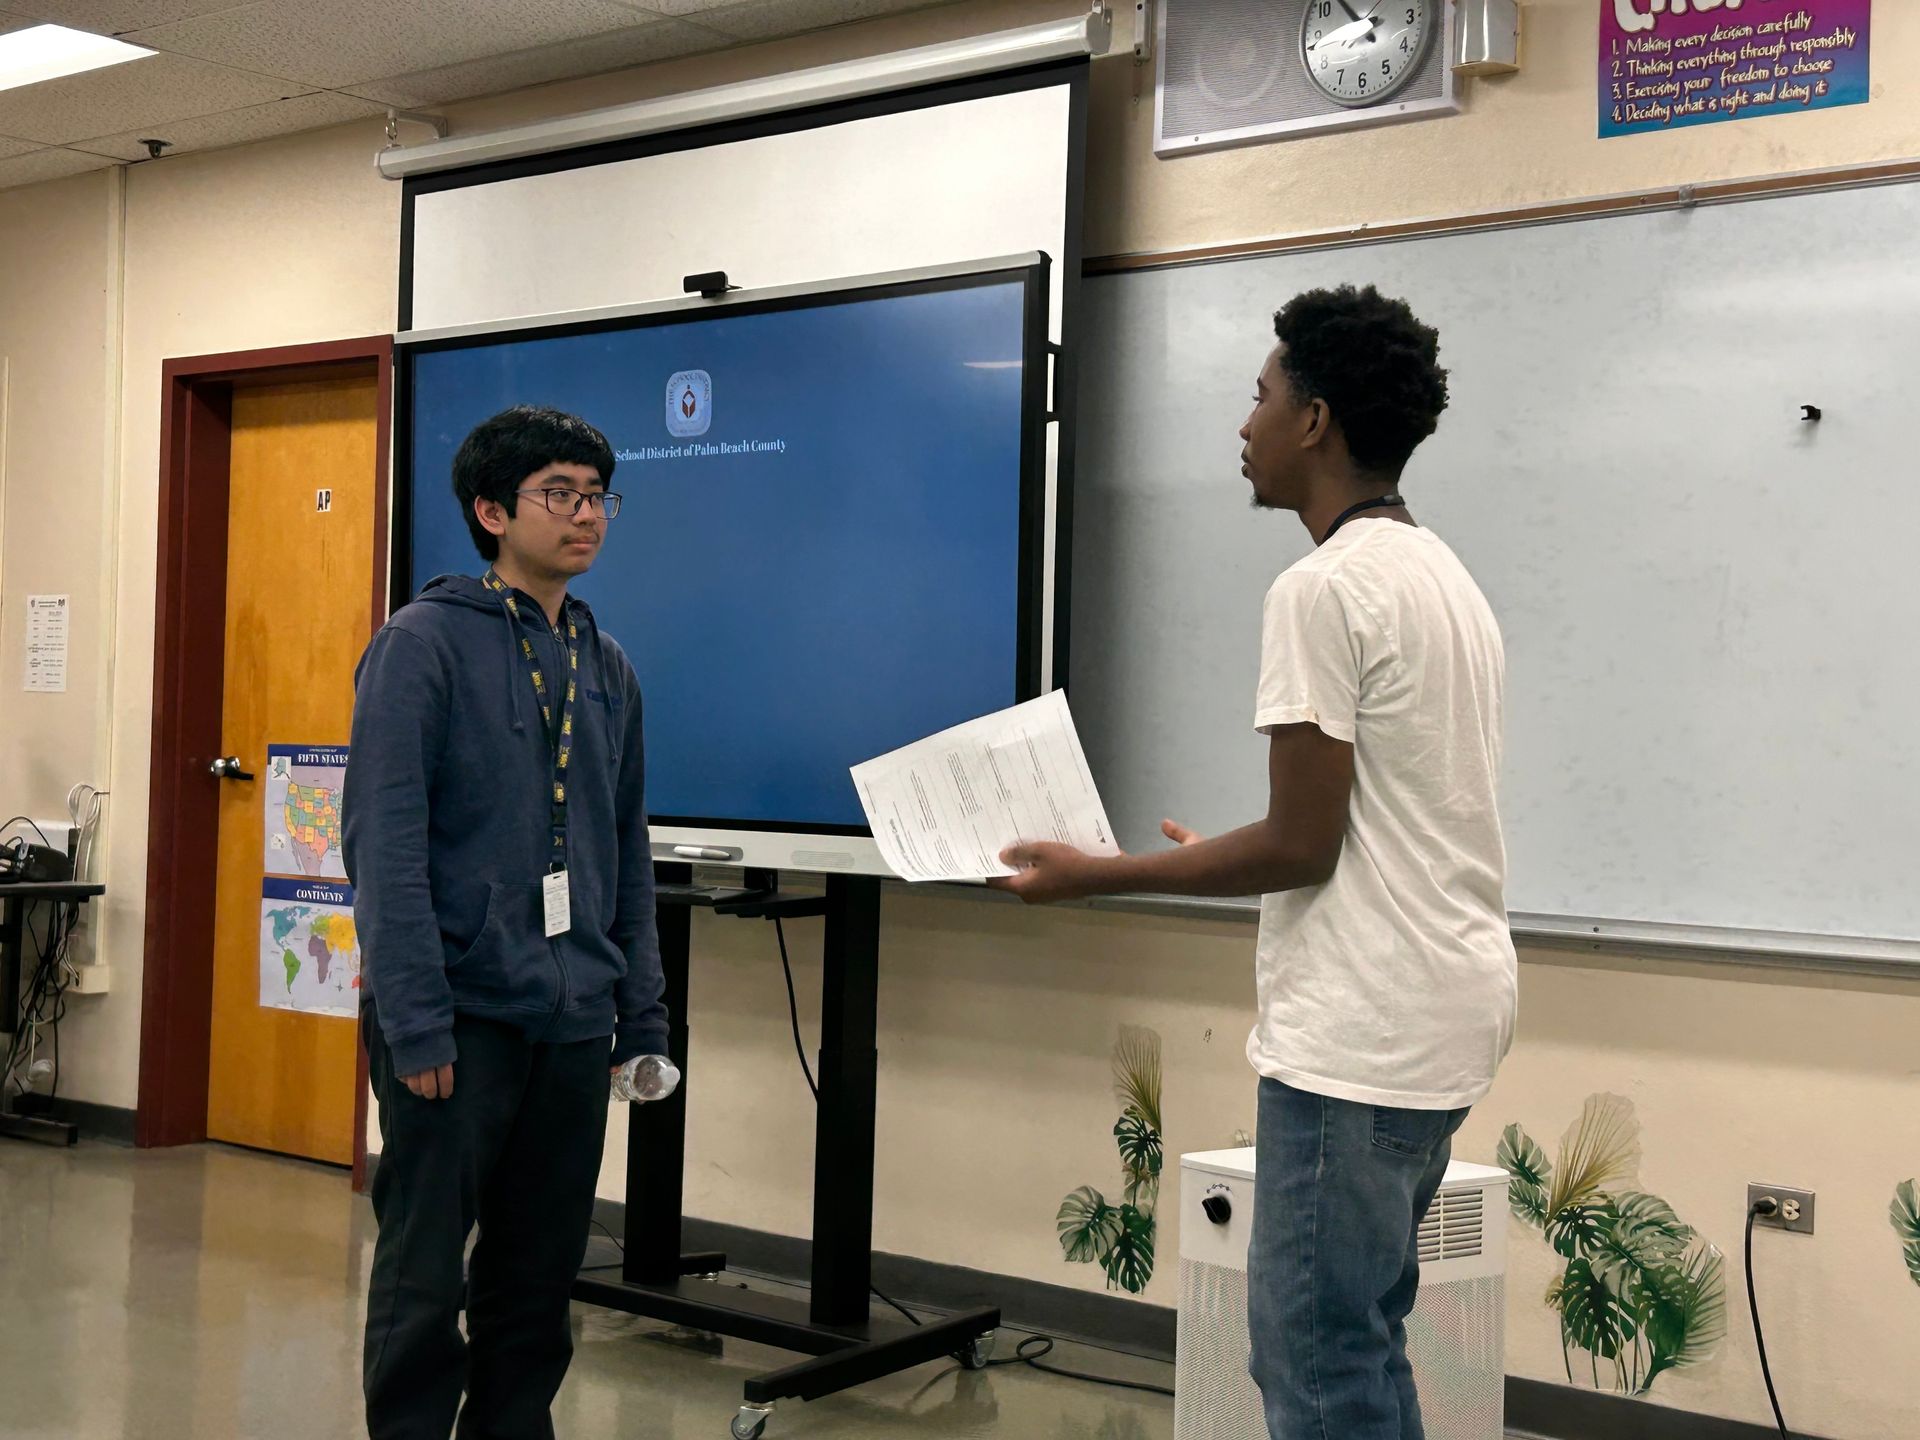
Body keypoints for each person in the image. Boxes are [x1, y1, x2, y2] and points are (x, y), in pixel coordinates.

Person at [993, 285, 1516, 1440]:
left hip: (1362, 1036)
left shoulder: (1320, 588)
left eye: (1261, 394)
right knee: (1362, 1338)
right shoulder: (1442, 576)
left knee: (1316, 1362)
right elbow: (1353, 821)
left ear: (1315, 420)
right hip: (1440, 1012)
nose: (1245, 422)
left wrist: (1098, 874)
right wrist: (1225, 855)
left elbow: (1300, 844)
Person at [343, 405, 670, 1440]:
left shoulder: (606, 663)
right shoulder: (419, 646)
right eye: (559, 494)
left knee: (535, 1284)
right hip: (455, 1024)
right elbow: (385, 850)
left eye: (597, 495)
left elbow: (626, 855)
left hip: (571, 1024)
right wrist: (417, 1021)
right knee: (424, 1278)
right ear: (490, 511)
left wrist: (643, 1017)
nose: (586, 516)